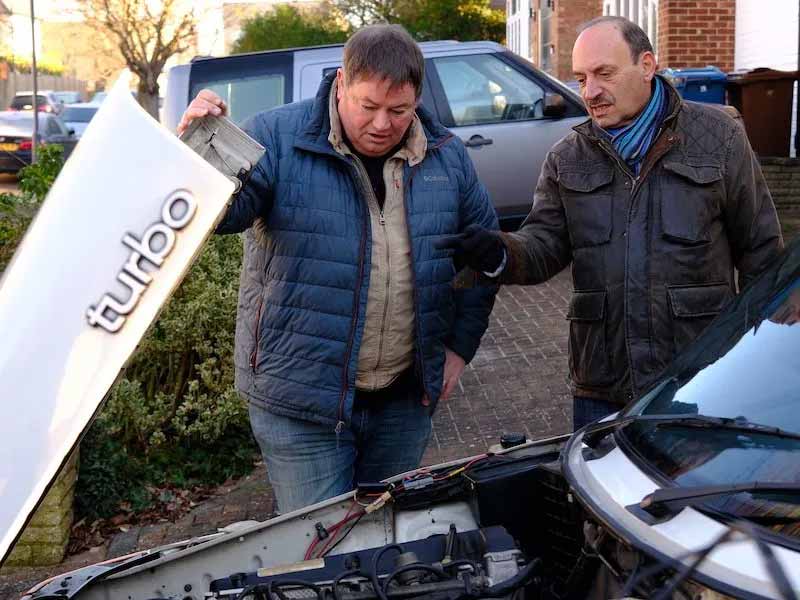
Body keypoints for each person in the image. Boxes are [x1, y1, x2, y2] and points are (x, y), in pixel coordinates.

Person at [177, 25, 498, 512]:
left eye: (399, 110)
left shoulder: (447, 156)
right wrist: (201, 154)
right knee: (322, 557)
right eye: (368, 107)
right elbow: (223, 214)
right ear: (341, 84)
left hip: (403, 402)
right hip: (300, 401)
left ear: (417, 97)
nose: (383, 124)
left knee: (388, 541)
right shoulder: (275, 138)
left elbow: (482, 257)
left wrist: (459, 346)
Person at [438, 16, 783, 431]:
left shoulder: (719, 137)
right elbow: (544, 245)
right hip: (602, 386)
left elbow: (762, 254)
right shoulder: (568, 157)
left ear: (647, 65)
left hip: (699, 376)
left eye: (604, 73)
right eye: (581, 78)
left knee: (696, 494)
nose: (590, 92)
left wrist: (756, 359)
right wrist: (500, 253)